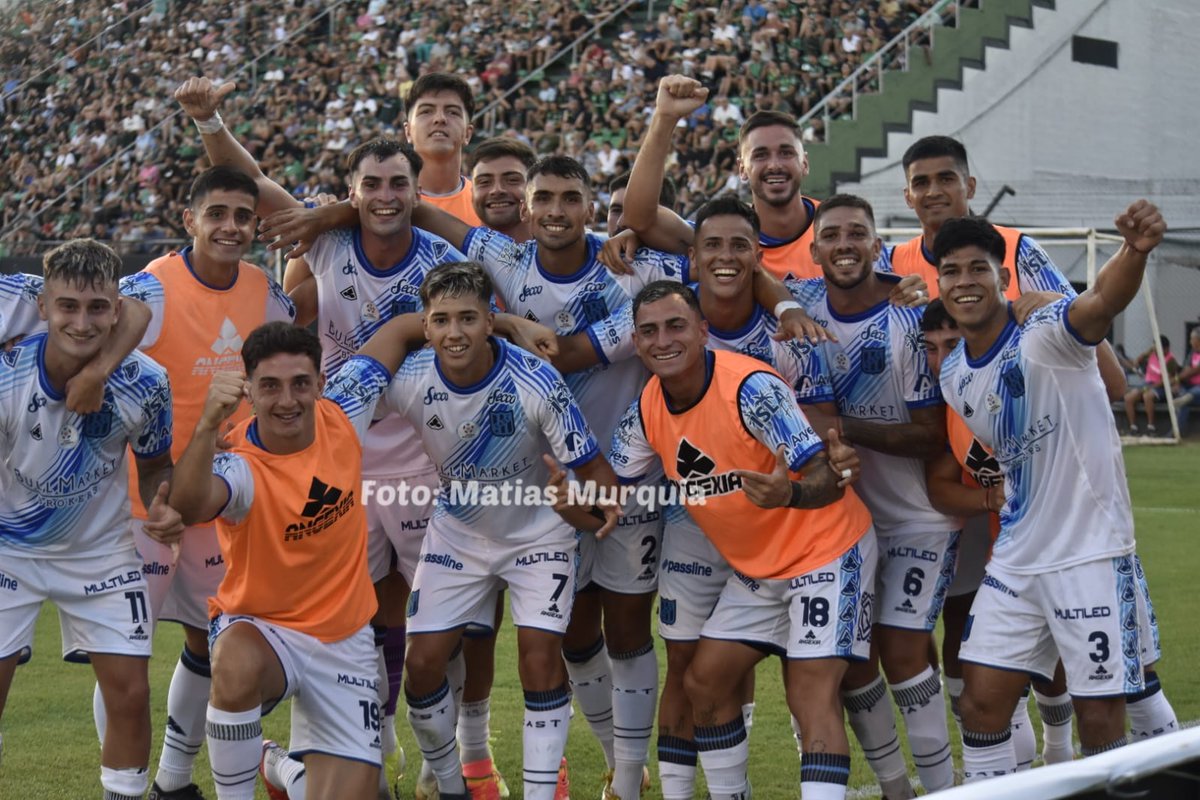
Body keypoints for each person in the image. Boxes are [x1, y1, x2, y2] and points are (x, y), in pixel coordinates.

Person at [175, 76, 553, 800]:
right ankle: (368, 736)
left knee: (453, 616)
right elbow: (254, 183)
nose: (384, 196)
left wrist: (506, 325)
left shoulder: (441, 257)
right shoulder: (328, 238)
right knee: (371, 604)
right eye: (369, 185)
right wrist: (210, 120)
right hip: (333, 442)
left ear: (417, 190)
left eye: (396, 184)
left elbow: (465, 312)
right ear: (351, 191)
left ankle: (468, 761)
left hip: (414, 445)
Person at [609, 280, 875, 800]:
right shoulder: (648, 407)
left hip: (828, 549)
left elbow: (824, 476)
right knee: (704, 683)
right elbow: (611, 485)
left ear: (704, 331)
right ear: (637, 344)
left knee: (809, 694)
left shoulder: (751, 388)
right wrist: (571, 494)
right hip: (762, 569)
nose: (663, 340)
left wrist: (789, 497)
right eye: (649, 331)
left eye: (676, 326)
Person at [933, 204, 1168, 781]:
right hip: (1017, 556)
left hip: (1088, 551)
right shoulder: (953, 373)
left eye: (978, 269)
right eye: (952, 271)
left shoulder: (1047, 330)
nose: (965, 281)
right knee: (980, 704)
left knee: (1101, 714)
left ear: (1002, 277)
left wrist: (1133, 252)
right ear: (940, 283)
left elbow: (1100, 305)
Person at [380, 262, 618, 800]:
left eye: (468, 318)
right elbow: (335, 420)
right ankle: (450, 786)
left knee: (538, 659)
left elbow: (598, 473)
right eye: (441, 320)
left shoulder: (535, 380)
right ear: (426, 326)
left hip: (539, 534)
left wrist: (584, 501)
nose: (455, 332)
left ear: (491, 321)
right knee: (421, 667)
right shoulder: (412, 379)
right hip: (458, 536)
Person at [166, 319, 415, 800]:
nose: (287, 400)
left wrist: (507, 323)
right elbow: (190, 504)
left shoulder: (343, 409)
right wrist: (206, 425)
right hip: (264, 631)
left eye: (300, 383)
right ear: (249, 393)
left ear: (321, 384)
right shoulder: (238, 463)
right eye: (270, 387)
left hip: (347, 641)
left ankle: (281, 767)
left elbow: (403, 331)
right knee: (233, 663)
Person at [114, 166, 296, 800]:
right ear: (189, 220)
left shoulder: (267, 293)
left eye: (243, 216)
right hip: (140, 508)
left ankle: (171, 780)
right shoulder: (149, 290)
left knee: (210, 643)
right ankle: (126, 788)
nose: (230, 226)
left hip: (221, 504)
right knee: (124, 665)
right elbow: (107, 379)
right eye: (216, 213)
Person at [789, 195, 959, 797]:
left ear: (876, 245)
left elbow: (931, 435)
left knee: (905, 648)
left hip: (916, 518)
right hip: (842, 523)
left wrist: (834, 427)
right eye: (830, 234)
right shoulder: (800, 302)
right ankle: (896, 788)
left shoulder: (908, 321)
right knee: (855, 660)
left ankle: (941, 786)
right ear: (814, 251)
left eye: (856, 233)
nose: (843, 244)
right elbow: (748, 278)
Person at [0, 239, 179, 800]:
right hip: (10, 549)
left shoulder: (148, 383)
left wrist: (162, 504)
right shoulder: (8, 373)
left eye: (97, 307)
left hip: (100, 553)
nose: (82, 321)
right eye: (68, 307)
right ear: (44, 306)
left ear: (116, 309)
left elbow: (154, 466)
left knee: (129, 694)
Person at [882, 135, 1127, 402]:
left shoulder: (1018, 250)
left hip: (1015, 432)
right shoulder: (892, 264)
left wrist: (1056, 303)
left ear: (970, 187)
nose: (933, 191)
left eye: (946, 179)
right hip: (932, 436)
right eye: (921, 183)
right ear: (908, 197)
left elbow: (1111, 381)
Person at [620, 75, 824, 281]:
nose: (774, 165)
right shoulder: (722, 237)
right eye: (760, 155)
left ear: (804, 163)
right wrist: (664, 118)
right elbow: (639, 219)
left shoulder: (836, 228)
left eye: (786, 152)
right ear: (742, 169)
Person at [405, 73, 482, 226]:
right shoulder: (385, 204)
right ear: (408, 132)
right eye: (426, 111)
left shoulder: (486, 205)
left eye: (452, 112)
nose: (439, 118)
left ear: (468, 133)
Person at [468, 137, 537, 242]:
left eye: (512, 180)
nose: (497, 190)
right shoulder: (452, 256)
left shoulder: (563, 255)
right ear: (472, 192)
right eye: (484, 182)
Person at [1123, 335, 1180, 435]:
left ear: (1166, 348)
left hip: (1161, 387)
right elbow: (1136, 362)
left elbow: (1168, 380)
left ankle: (1151, 427)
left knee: (1147, 396)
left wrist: (1151, 387)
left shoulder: (1171, 360)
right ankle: (1133, 427)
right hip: (1147, 384)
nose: (1156, 351)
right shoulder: (1152, 354)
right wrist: (1147, 352)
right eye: (1155, 348)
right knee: (1129, 398)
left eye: (1158, 348)